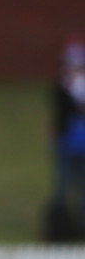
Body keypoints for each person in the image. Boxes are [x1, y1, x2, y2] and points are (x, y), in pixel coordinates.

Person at [46, 37, 85, 240]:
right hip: (67, 145)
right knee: (62, 187)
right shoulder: (62, 85)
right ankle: (60, 230)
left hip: (81, 145)